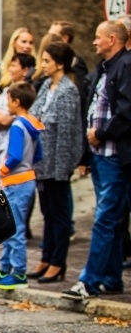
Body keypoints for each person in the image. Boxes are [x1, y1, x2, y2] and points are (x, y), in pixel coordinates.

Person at [63, 21, 131, 300]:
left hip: (115, 155)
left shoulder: (125, 65)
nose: (93, 42)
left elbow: (127, 110)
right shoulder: (105, 68)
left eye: (97, 37)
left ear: (112, 39)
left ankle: (88, 281)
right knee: (112, 220)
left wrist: (101, 134)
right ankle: (111, 279)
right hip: (102, 156)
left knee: (104, 219)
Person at [23, 42, 83, 284]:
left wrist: (62, 170)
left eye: (47, 60)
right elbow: (33, 115)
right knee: (46, 212)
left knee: (59, 215)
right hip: (42, 162)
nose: (43, 65)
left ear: (60, 64)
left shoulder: (68, 91)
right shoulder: (47, 85)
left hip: (57, 164)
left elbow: (68, 134)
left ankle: (58, 262)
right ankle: (46, 258)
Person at [0, 82, 43, 290]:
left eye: (8, 100)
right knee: (11, 226)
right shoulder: (32, 123)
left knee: (14, 228)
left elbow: (14, 154)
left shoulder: (17, 124)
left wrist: (4, 169)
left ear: (16, 102)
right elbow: (39, 153)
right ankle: (5, 269)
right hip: (27, 179)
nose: (6, 104)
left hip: (15, 181)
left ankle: (19, 272)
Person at [0, 53, 36, 181]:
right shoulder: (7, 90)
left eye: (13, 66)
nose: (10, 69)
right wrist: (1, 116)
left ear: (25, 70)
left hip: (10, 156)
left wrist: (4, 168)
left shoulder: (27, 92)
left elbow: (7, 120)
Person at [0, 28, 36, 94]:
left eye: (30, 43)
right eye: (24, 42)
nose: (27, 46)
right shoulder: (3, 66)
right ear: (14, 43)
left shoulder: (36, 68)